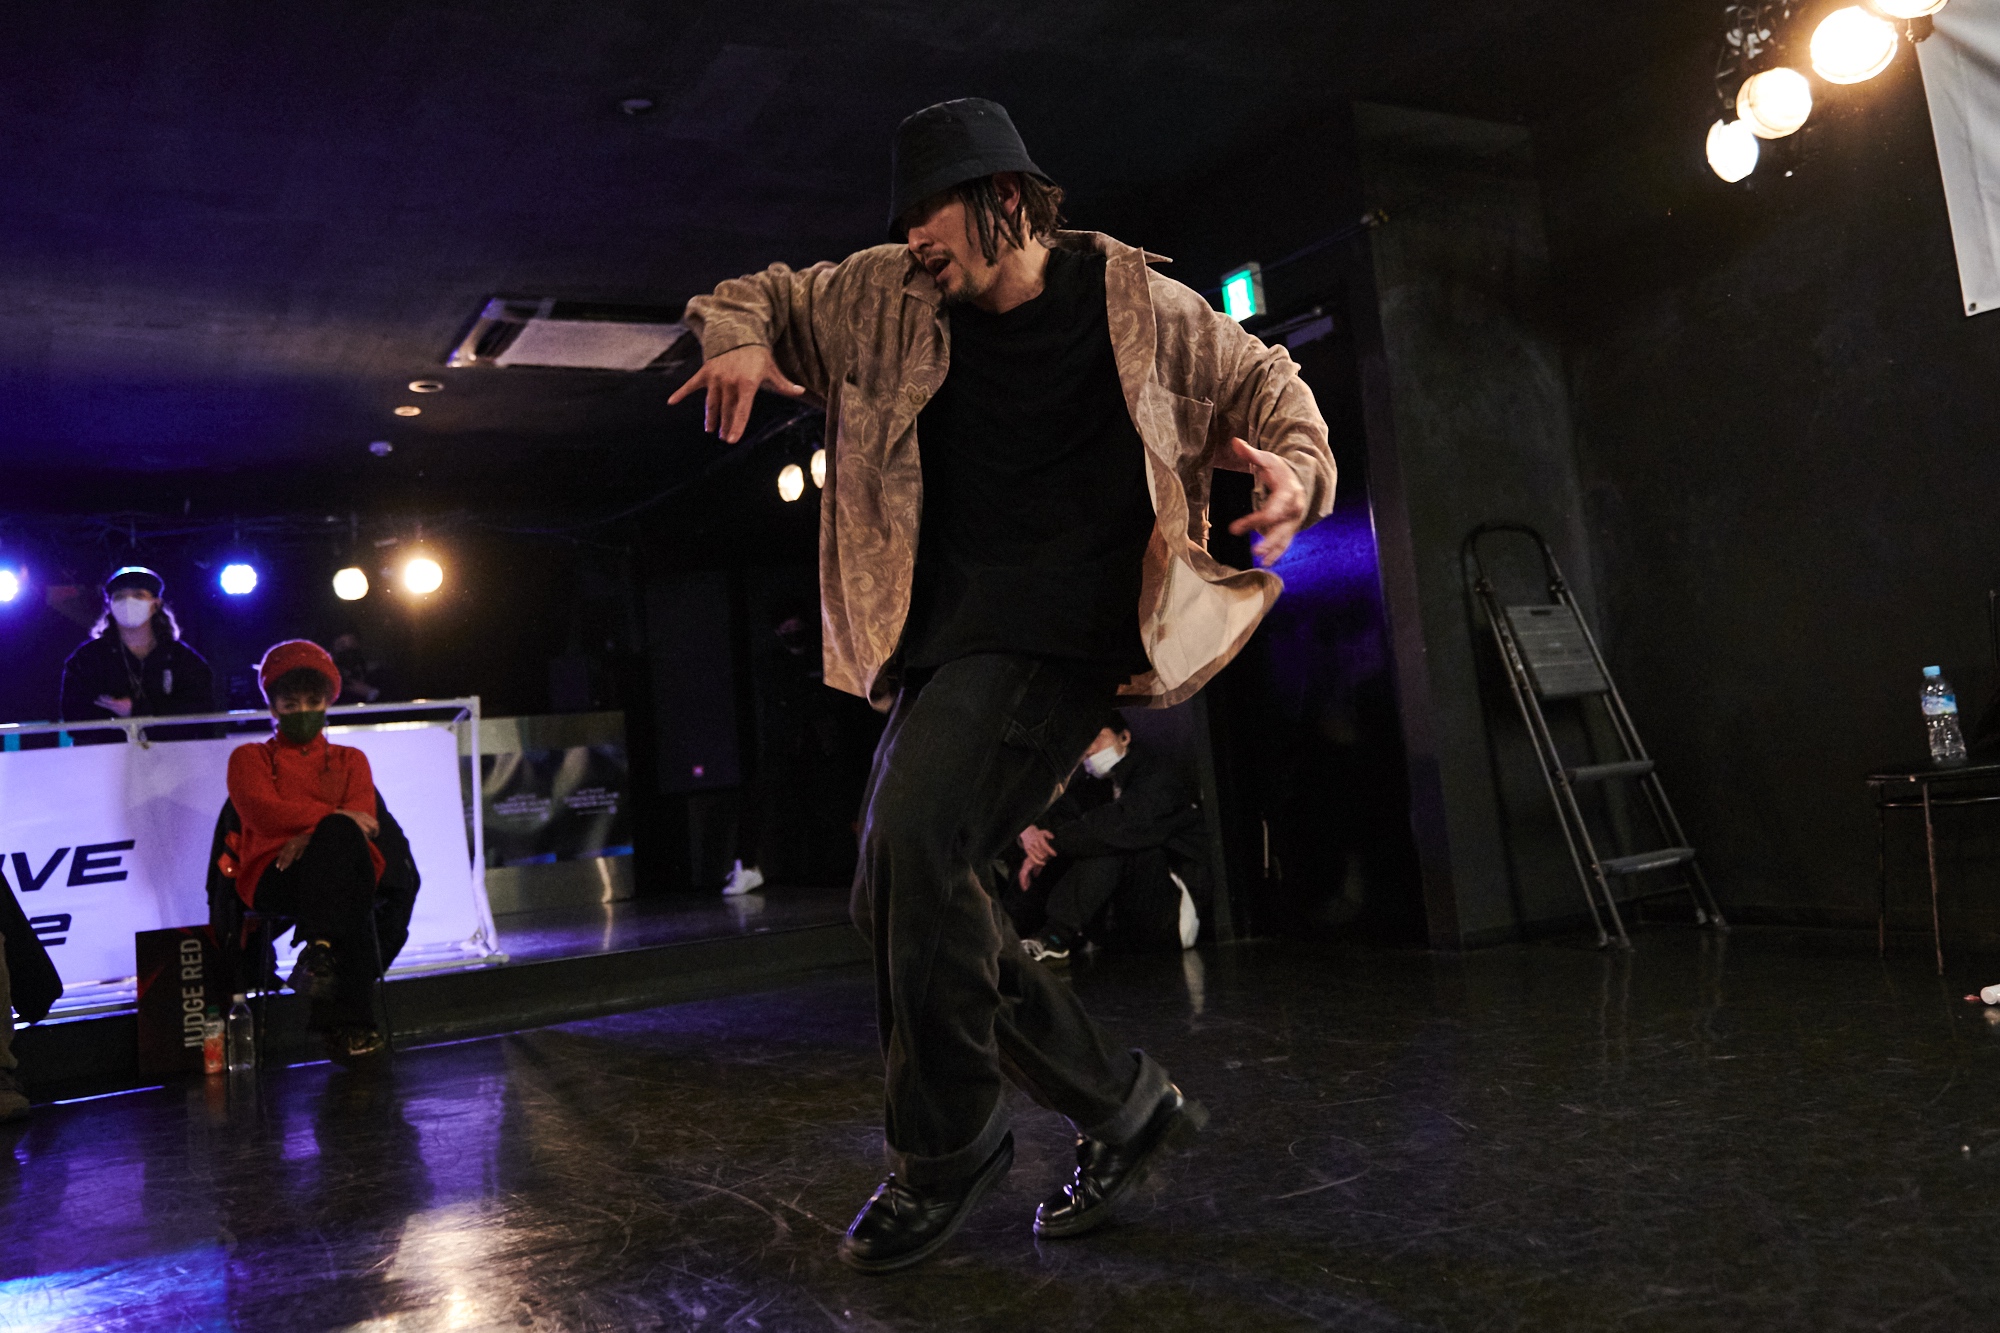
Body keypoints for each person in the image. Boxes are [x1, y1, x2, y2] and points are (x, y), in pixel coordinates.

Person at [672, 97, 1334, 1272]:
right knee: (896, 894)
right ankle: (1120, 1104)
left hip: (1062, 634)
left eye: (932, 213)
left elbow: (1266, 381)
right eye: (905, 219)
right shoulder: (882, 294)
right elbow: (761, 292)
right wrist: (731, 335)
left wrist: (1295, 469)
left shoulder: (1138, 304)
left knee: (917, 845)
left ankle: (947, 1147)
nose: (915, 237)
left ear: (1007, 199)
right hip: (940, 643)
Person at [224, 640, 388, 1062]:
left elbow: (366, 823)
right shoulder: (249, 757)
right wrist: (331, 822)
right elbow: (263, 814)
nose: (302, 711)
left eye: (313, 702)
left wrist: (311, 834)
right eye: (290, 703)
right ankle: (349, 1021)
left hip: (342, 868)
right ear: (273, 707)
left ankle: (318, 952)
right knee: (345, 867)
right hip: (276, 872)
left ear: (328, 702)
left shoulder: (352, 759)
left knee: (343, 858)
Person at [1013, 715, 1204, 964]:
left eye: (1097, 737)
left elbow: (1120, 825)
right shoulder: (1092, 786)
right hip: (1120, 923)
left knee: (1111, 841)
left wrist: (1051, 844)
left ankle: (1055, 937)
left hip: (1170, 911)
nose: (1088, 749)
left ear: (1124, 737)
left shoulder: (1156, 777)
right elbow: (1057, 821)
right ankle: (1013, 934)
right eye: (1082, 742)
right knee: (1077, 842)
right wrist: (1031, 836)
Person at [59, 567, 214, 733]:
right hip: (109, 748)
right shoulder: (88, 659)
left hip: (171, 749)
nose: (128, 602)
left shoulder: (182, 659)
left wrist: (137, 710)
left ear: (156, 604)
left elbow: (200, 713)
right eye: (120, 597)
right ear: (110, 605)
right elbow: (74, 717)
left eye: (138, 595)